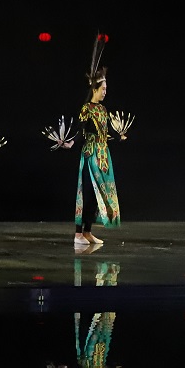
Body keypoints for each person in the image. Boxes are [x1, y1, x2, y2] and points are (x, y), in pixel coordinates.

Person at [66, 34, 123, 245]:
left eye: (106, 89)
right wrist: (72, 142)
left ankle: (88, 232)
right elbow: (80, 131)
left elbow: (105, 133)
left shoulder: (103, 110)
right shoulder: (87, 109)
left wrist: (118, 135)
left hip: (103, 155)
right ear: (95, 89)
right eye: (103, 89)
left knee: (99, 194)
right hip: (90, 156)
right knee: (88, 194)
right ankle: (78, 233)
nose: (105, 92)